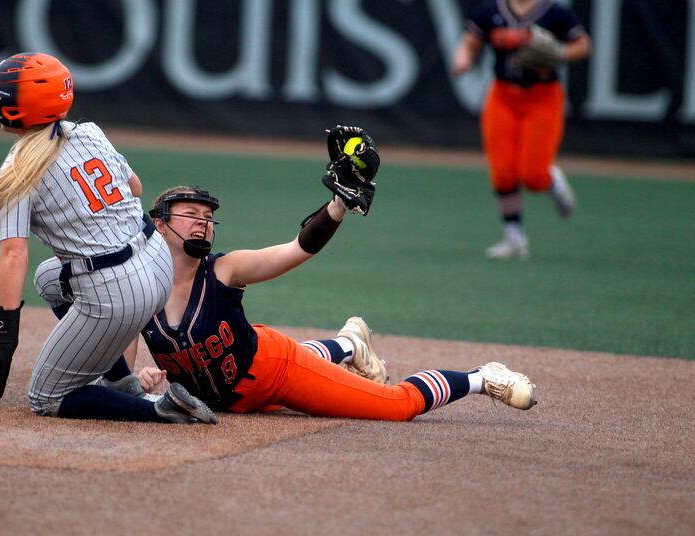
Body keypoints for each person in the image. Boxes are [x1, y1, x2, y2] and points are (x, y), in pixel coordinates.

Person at [64, 124, 537, 420]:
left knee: (395, 406)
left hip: (272, 372)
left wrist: (336, 208)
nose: (203, 221)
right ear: (159, 223)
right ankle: (351, 344)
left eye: (208, 216)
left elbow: (297, 249)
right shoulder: (138, 280)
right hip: (233, 398)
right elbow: (119, 347)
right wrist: (134, 379)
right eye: (191, 213)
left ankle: (482, 377)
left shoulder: (223, 270)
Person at [0, 51, 215, 424]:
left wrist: (6, 329)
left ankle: (159, 409)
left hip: (116, 293)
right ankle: (122, 381)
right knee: (48, 279)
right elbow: (135, 188)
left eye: (4, 96)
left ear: (21, 110)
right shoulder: (89, 132)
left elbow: (12, 254)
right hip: (156, 265)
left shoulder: (16, 171)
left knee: (46, 397)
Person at [453, 0, 591, 259]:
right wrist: (463, 59)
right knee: (503, 171)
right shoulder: (492, 10)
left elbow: (583, 44)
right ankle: (514, 237)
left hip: (542, 97)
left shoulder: (554, 12)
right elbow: (471, 40)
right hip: (503, 96)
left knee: (533, 176)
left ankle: (553, 181)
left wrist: (559, 54)